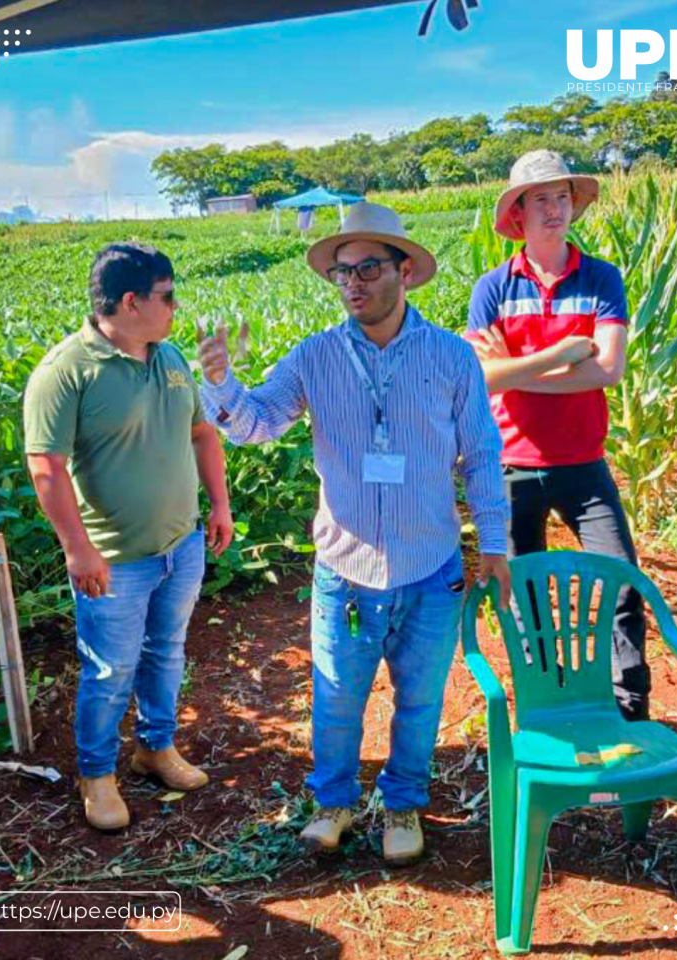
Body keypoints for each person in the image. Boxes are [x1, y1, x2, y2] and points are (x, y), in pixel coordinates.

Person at [198, 201, 510, 865]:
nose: (353, 283)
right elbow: (257, 424)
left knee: (420, 700)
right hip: (345, 569)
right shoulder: (313, 358)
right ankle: (334, 803)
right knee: (337, 700)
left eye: (368, 267)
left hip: (431, 568)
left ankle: (402, 807)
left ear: (404, 271)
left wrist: (496, 542)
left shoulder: (452, 357)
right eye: (342, 272)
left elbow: (482, 453)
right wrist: (222, 383)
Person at [24, 243, 234, 831]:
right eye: (168, 296)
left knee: (166, 653)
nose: (176, 306)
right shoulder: (67, 371)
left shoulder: (168, 358)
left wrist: (218, 504)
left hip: (180, 546)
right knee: (108, 670)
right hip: (113, 561)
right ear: (130, 301)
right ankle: (97, 775)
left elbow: (201, 435)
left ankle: (155, 749)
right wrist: (77, 547)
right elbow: (46, 468)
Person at [465, 149, 650, 721]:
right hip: (511, 466)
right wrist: (561, 359)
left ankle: (629, 707)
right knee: (524, 596)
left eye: (562, 197)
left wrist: (520, 372)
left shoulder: (601, 279)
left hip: (582, 463)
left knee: (622, 581)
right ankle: (548, 703)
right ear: (518, 214)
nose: (554, 209)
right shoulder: (492, 288)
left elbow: (608, 369)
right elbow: (480, 376)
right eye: (540, 199)